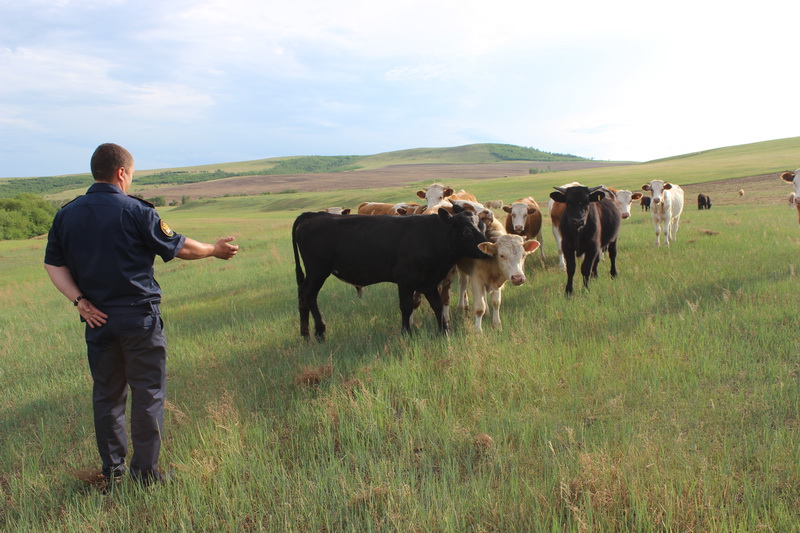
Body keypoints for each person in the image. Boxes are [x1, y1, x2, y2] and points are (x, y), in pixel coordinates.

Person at [44, 143, 239, 489]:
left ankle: (113, 474)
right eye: (131, 175)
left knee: (107, 396)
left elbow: (53, 264)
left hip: (97, 321)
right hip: (139, 320)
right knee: (147, 395)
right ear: (121, 172)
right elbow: (178, 246)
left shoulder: (66, 214)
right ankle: (146, 475)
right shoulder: (135, 210)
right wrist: (214, 250)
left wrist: (79, 302)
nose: (131, 181)